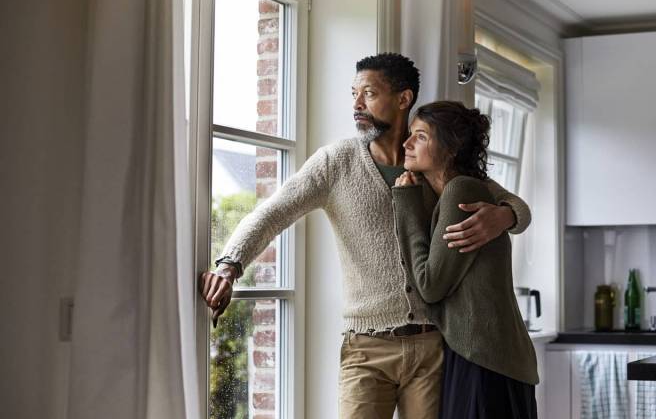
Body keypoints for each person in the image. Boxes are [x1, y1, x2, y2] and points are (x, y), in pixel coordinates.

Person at [199, 53, 532, 419]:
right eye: (354, 94)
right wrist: (230, 263)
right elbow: (273, 212)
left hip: (432, 346)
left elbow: (515, 204)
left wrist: (504, 215)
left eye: (369, 93)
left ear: (403, 99)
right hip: (366, 348)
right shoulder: (335, 162)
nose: (357, 104)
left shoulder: (431, 158)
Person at [392, 101, 539, 419]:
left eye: (420, 136)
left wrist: (405, 205)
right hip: (484, 353)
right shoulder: (447, 190)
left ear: (451, 147)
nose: (406, 143)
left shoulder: (462, 190)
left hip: (483, 356)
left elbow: (430, 286)